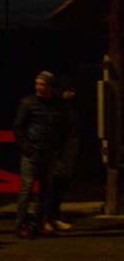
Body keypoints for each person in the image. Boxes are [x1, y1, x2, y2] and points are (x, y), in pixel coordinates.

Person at [13, 70, 68, 239]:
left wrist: (58, 147)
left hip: (49, 151)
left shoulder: (58, 104)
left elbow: (64, 127)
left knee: (45, 189)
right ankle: (21, 224)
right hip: (32, 151)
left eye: (43, 84)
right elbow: (18, 127)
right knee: (27, 188)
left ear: (50, 86)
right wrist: (27, 148)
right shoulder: (28, 103)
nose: (39, 87)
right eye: (37, 83)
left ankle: (38, 223)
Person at [46, 76, 79, 231]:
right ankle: (50, 217)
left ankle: (53, 215)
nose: (73, 93)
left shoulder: (67, 106)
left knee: (61, 181)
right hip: (60, 148)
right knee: (56, 181)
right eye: (69, 90)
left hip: (67, 146)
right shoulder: (58, 105)